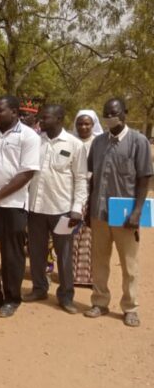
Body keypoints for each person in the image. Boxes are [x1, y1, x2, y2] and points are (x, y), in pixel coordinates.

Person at [84, 98, 152, 327]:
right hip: (99, 212)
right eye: (105, 114)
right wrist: (88, 209)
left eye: (113, 113)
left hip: (125, 215)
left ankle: (130, 307)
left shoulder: (138, 142)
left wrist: (138, 211)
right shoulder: (99, 142)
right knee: (99, 261)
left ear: (124, 113)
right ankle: (100, 302)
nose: (109, 117)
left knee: (129, 264)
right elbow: (92, 177)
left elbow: (144, 178)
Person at [0, 95, 41, 318]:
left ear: (14, 112)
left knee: (12, 255)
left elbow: (27, 173)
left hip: (12, 205)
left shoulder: (29, 136)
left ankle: (12, 299)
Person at [23, 105, 88, 314]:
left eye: (46, 117)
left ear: (59, 118)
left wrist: (77, 208)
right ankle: (39, 288)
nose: (41, 120)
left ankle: (66, 296)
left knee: (64, 254)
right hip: (36, 208)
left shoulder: (75, 145)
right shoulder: (35, 141)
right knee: (36, 252)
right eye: (41, 117)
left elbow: (80, 179)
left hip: (62, 210)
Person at [71, 109, 103, 286]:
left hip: (93, 194)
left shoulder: (99, 143)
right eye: (80, 123)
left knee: (91, 237)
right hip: (72, 194)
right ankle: (71, 275)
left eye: (87, 123)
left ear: (93, 125)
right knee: (73, 235)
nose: (83, 127)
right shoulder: (71, 142)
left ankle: (90, 277)